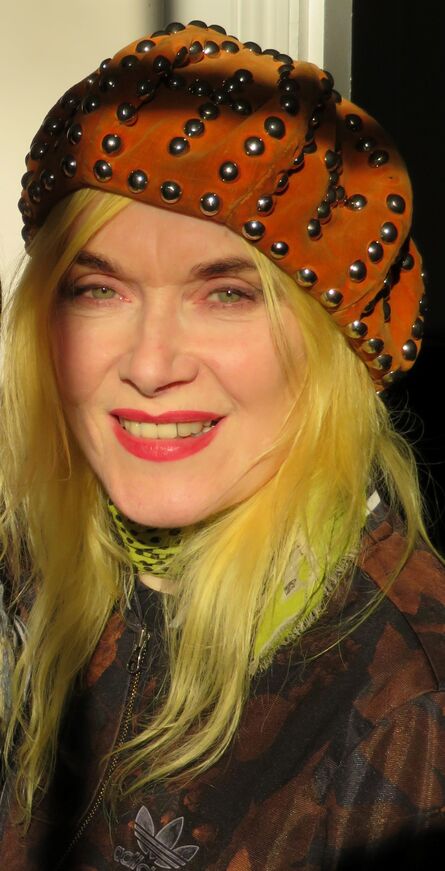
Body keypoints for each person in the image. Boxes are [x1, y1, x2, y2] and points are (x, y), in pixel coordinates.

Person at [0, 19, 444, 871]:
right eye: (97, 289)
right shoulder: (34, 569)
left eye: (228, 294)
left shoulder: (405, 707)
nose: (150, 364)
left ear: (336, 343)